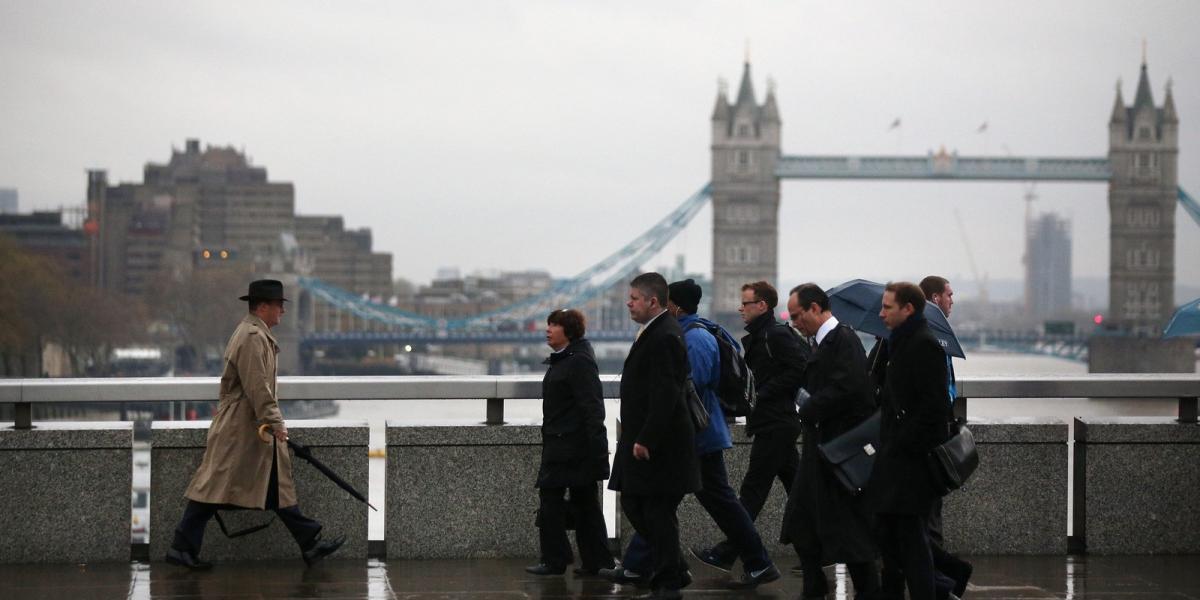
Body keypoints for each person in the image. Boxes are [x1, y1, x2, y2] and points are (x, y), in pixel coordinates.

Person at [605, 279, 780, 590]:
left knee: (687, 504)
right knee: (663, 505)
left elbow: (685, 387)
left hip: (698, 437)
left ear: (675, 306)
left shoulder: (694, 338)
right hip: (694, 435)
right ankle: (645, 566)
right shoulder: (683, 332)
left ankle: (757, 562)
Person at [166, 279, 345, 570]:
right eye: (279, 306)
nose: (283, 312)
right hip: (240, 428)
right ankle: (181, 547)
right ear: (263, 306)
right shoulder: (251, 337)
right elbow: (257, 386)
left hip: (249, 426)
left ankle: (310, 542)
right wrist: (276, 421)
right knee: (214, 487)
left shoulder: (256, 334)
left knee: (274, 484)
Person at [694, 280, 809, 571]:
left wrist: (760, 393)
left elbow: (798, 370)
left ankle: (727, 552)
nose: (740, 308)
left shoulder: (774, 335)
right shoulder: (764, 335)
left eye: (745, 303)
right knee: (798, 489)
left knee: (752, 492)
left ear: (762, 306)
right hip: (776, 422)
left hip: (775, 424)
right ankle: (821, 549)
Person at [780, 283, 880, 599]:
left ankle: (866, 592)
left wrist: (810, 406)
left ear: (815, 308)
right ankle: (814, 586)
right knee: (801, 524)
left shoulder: (843, 341)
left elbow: (848, 389)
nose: (795, 322)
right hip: (821, 453)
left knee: (850, 535)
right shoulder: (823, 344)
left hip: (838, 456)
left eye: (797, 316)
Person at [607, 272, 701, 600]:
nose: (628, 303)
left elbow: (666, 394)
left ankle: (669, 583)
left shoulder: (664, 336)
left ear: (653, 301)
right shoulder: (655, 331)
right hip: (645, 439)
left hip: (662, 446)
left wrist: (646, 438)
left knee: (657, 513)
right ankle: (673, 569)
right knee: (637, 504)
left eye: (634, 298)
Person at [866, 282, 953, 600]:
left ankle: (937, 589)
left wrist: (900, 443)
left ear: (908, 309)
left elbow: (935, 410)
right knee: (891, 538)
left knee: (912, 542)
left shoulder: (924, 345)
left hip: (910, 465)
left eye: (888, 307)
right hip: (895, 461)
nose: (881, 312)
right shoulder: (897, 344)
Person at [525, 309, 615, 576]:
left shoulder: (578, 362)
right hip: (564, 443)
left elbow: (592, 407)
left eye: (554, 325)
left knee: (552, 500)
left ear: (570, 331)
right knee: (584, 502)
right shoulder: (566, 359)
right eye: (548, 324)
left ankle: (556, 561)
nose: (548, 329)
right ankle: (596, 562)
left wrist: (598, 448)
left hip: (571, 447)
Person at [916, 275, 973, 598]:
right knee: (925, 519)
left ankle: (938, 579)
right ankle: (943, 579)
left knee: (923, 519)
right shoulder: (932, 338)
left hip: (932, 439)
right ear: (935, 298)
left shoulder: (934, 336)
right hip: (930, 442)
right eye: (949, 294)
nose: (953, 300)